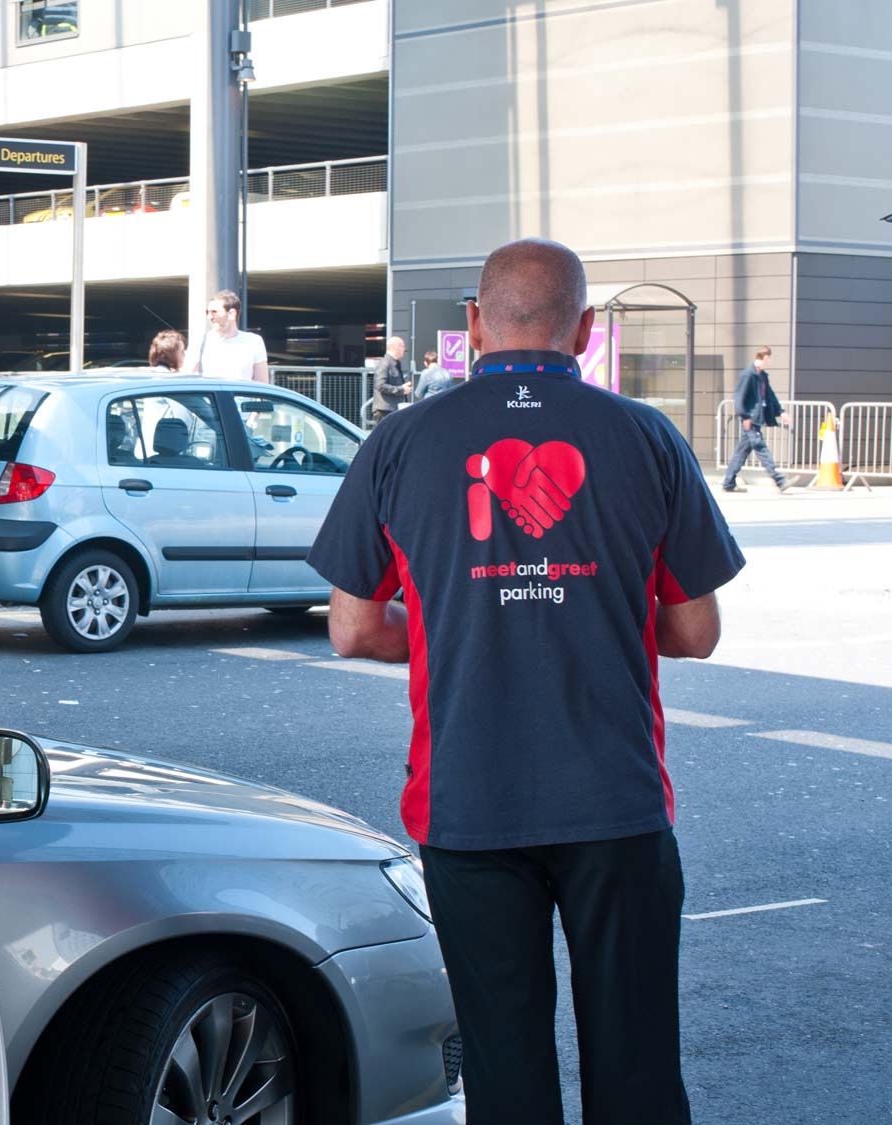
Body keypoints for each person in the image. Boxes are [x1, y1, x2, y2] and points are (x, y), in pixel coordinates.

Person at [306, 237, 743, 1125]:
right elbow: (695, 630)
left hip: (467, 804)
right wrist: (604, 612)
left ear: (472, 325)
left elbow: (352, 628)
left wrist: (443, 628)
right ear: (584, 330)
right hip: (616, 802)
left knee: (504, 1074)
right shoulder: (646, 437)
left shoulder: (401, 440)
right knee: (639, 1068)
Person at [721, 346, 789, 493]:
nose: (769, 362)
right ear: (764, 358)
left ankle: (728, 482)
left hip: (755, 418)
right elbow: (739, 397)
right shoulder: (749, 375)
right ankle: (779, 479)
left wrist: (781, 412)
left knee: (741, 452)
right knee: (760, 447)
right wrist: (745, 416)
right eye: (769, 359)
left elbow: (770, 396)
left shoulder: (762, 376)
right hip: (750, 419)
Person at [187, 290, 270, 382]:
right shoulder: (201, 341)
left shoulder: (254, 341)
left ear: (231, 313)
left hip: (241, 396)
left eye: (214, 312)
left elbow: (262, 382)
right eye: (208, 312)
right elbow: (187, 377)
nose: (210, 317)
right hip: (210, 396)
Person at [371, 336, 413, 420]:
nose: (404, 350)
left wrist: (403, 388)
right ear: (396, 347)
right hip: (384, 411)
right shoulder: (384, 363)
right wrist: (401, 389)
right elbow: (380, 385)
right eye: (402, 346)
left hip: (392, 409)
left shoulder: (395, 363)